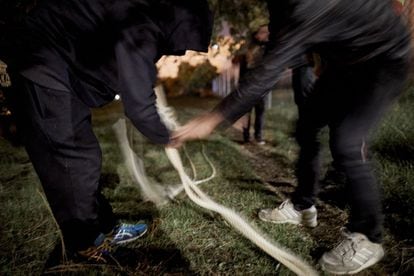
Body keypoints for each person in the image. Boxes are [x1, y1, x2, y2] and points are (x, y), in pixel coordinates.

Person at [171, 0, 411, 274]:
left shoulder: (307, 5)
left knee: (346, 141)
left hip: (383, 59)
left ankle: (368, 236)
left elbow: (269, 69)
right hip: (344, 63)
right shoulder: (280, 6)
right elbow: (277, 48)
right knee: (306, 126)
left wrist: (214, 118)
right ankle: (303, 206)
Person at [0, 0, 212, 262]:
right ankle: (84, 242)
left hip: (58, 66)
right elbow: (138, 104)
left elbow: (136, 71)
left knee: (82, 160)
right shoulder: (141, 27)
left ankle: (104, 226)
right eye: (186, 43)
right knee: (73, 160)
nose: (180, 52)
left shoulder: (143, 16)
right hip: (39, 63)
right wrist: (168, 136)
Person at [237, 25, 270, 145]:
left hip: (262, 84)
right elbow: (242, 67)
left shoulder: (268, 48)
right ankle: (246, 137)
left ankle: (258, 136)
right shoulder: (248, 48)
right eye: (263, 32)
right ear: (257, 34)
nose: (266, 35)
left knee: (260, 111)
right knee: (246, 111)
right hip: (249, 84)